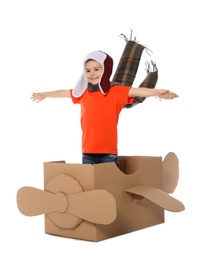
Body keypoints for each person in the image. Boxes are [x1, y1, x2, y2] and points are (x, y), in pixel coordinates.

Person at [31, 50, 178, 165]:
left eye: (96, 69)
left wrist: (157, 92)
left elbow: (136, 91)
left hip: (108, 153)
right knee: (92, 192)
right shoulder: (83, 93)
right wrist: (43, 95)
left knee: (110, 189)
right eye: (88, 70)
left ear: (105, 70)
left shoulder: (115, 92)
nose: (92, 74)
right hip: (87, 153)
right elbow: (64, 93)